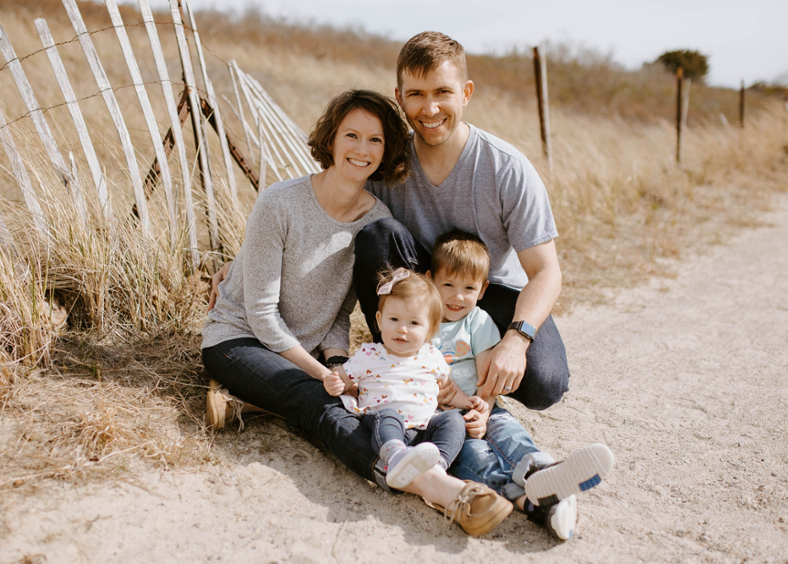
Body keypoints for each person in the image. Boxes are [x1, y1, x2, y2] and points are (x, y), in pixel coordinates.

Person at [202, 89, 511, 536]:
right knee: (322, 400)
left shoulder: (374, 221)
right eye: (352, 135)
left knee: (341, 395)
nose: (362, 150)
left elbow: (338, 312)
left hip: (302, 350)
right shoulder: (280, 202)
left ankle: (253, 405)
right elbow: (262, 315)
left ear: (387, 152)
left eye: (375, 140)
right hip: (239, 340)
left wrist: (338, 362)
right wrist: (322, 375)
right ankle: (442, 490)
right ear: (331, 139)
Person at [354, 31, 570, 414]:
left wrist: (515, 343)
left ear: (466, 93)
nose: (430, 108)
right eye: (416, 94)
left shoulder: (506, 168)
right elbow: (329, 217)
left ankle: (473, 379)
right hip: (419, 288)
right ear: (400, 96)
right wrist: (244, 266)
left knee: (545, 385)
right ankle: (397, 370)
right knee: (377, 236)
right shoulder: (385, 162)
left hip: (488, 293)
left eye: (443, 92)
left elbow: (546, 271)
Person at [427, 230, 615, 540]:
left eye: (468, 288)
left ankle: (541, 468)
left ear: (483, 289)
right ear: (430, 279)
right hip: (446, 421)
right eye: (447, 285)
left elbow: (486, 374)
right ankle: (543, 503)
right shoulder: (424, 322)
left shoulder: (477, 321)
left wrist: (483, 408)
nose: (457, 297)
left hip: (483, 405)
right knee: (475, 459)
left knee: (509, 435)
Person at [323, 269, 495, 495]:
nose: (402, 329)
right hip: (387, 426)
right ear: (379, 320)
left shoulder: (432, 356)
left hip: (425, 428)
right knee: (387, 415)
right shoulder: (370, 355)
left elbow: (449, 392)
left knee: (453, 419)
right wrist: (334, 383)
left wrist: (470, 403)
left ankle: (437, 466)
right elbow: (342, 379)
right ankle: (395, 457)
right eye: (394, 319)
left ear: (429, 329)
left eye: (414, 323)